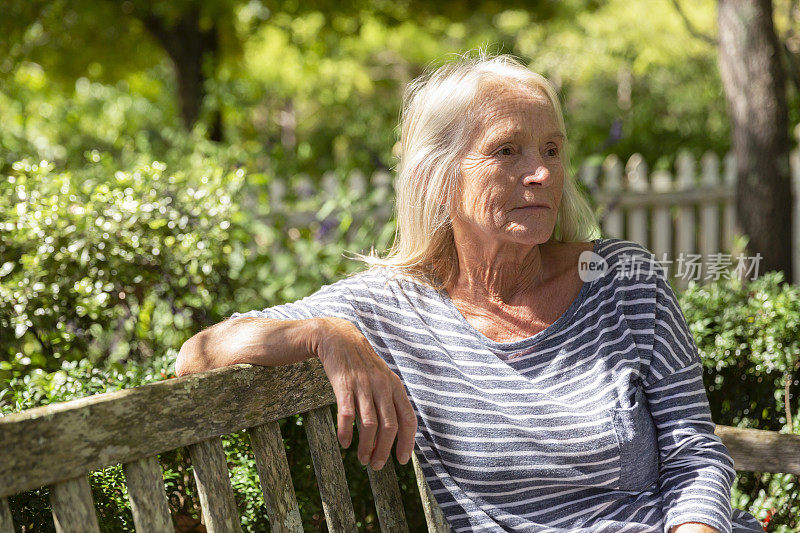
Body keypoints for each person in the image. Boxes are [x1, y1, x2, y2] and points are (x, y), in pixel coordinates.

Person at [176, 52, 763, 532]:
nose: (541, 174)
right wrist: (321, 332)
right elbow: (197, 354)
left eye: (552, 151)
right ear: (441, 174)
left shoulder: (622, 279)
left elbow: (695, 454)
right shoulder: (392, 307)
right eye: (508, 150)